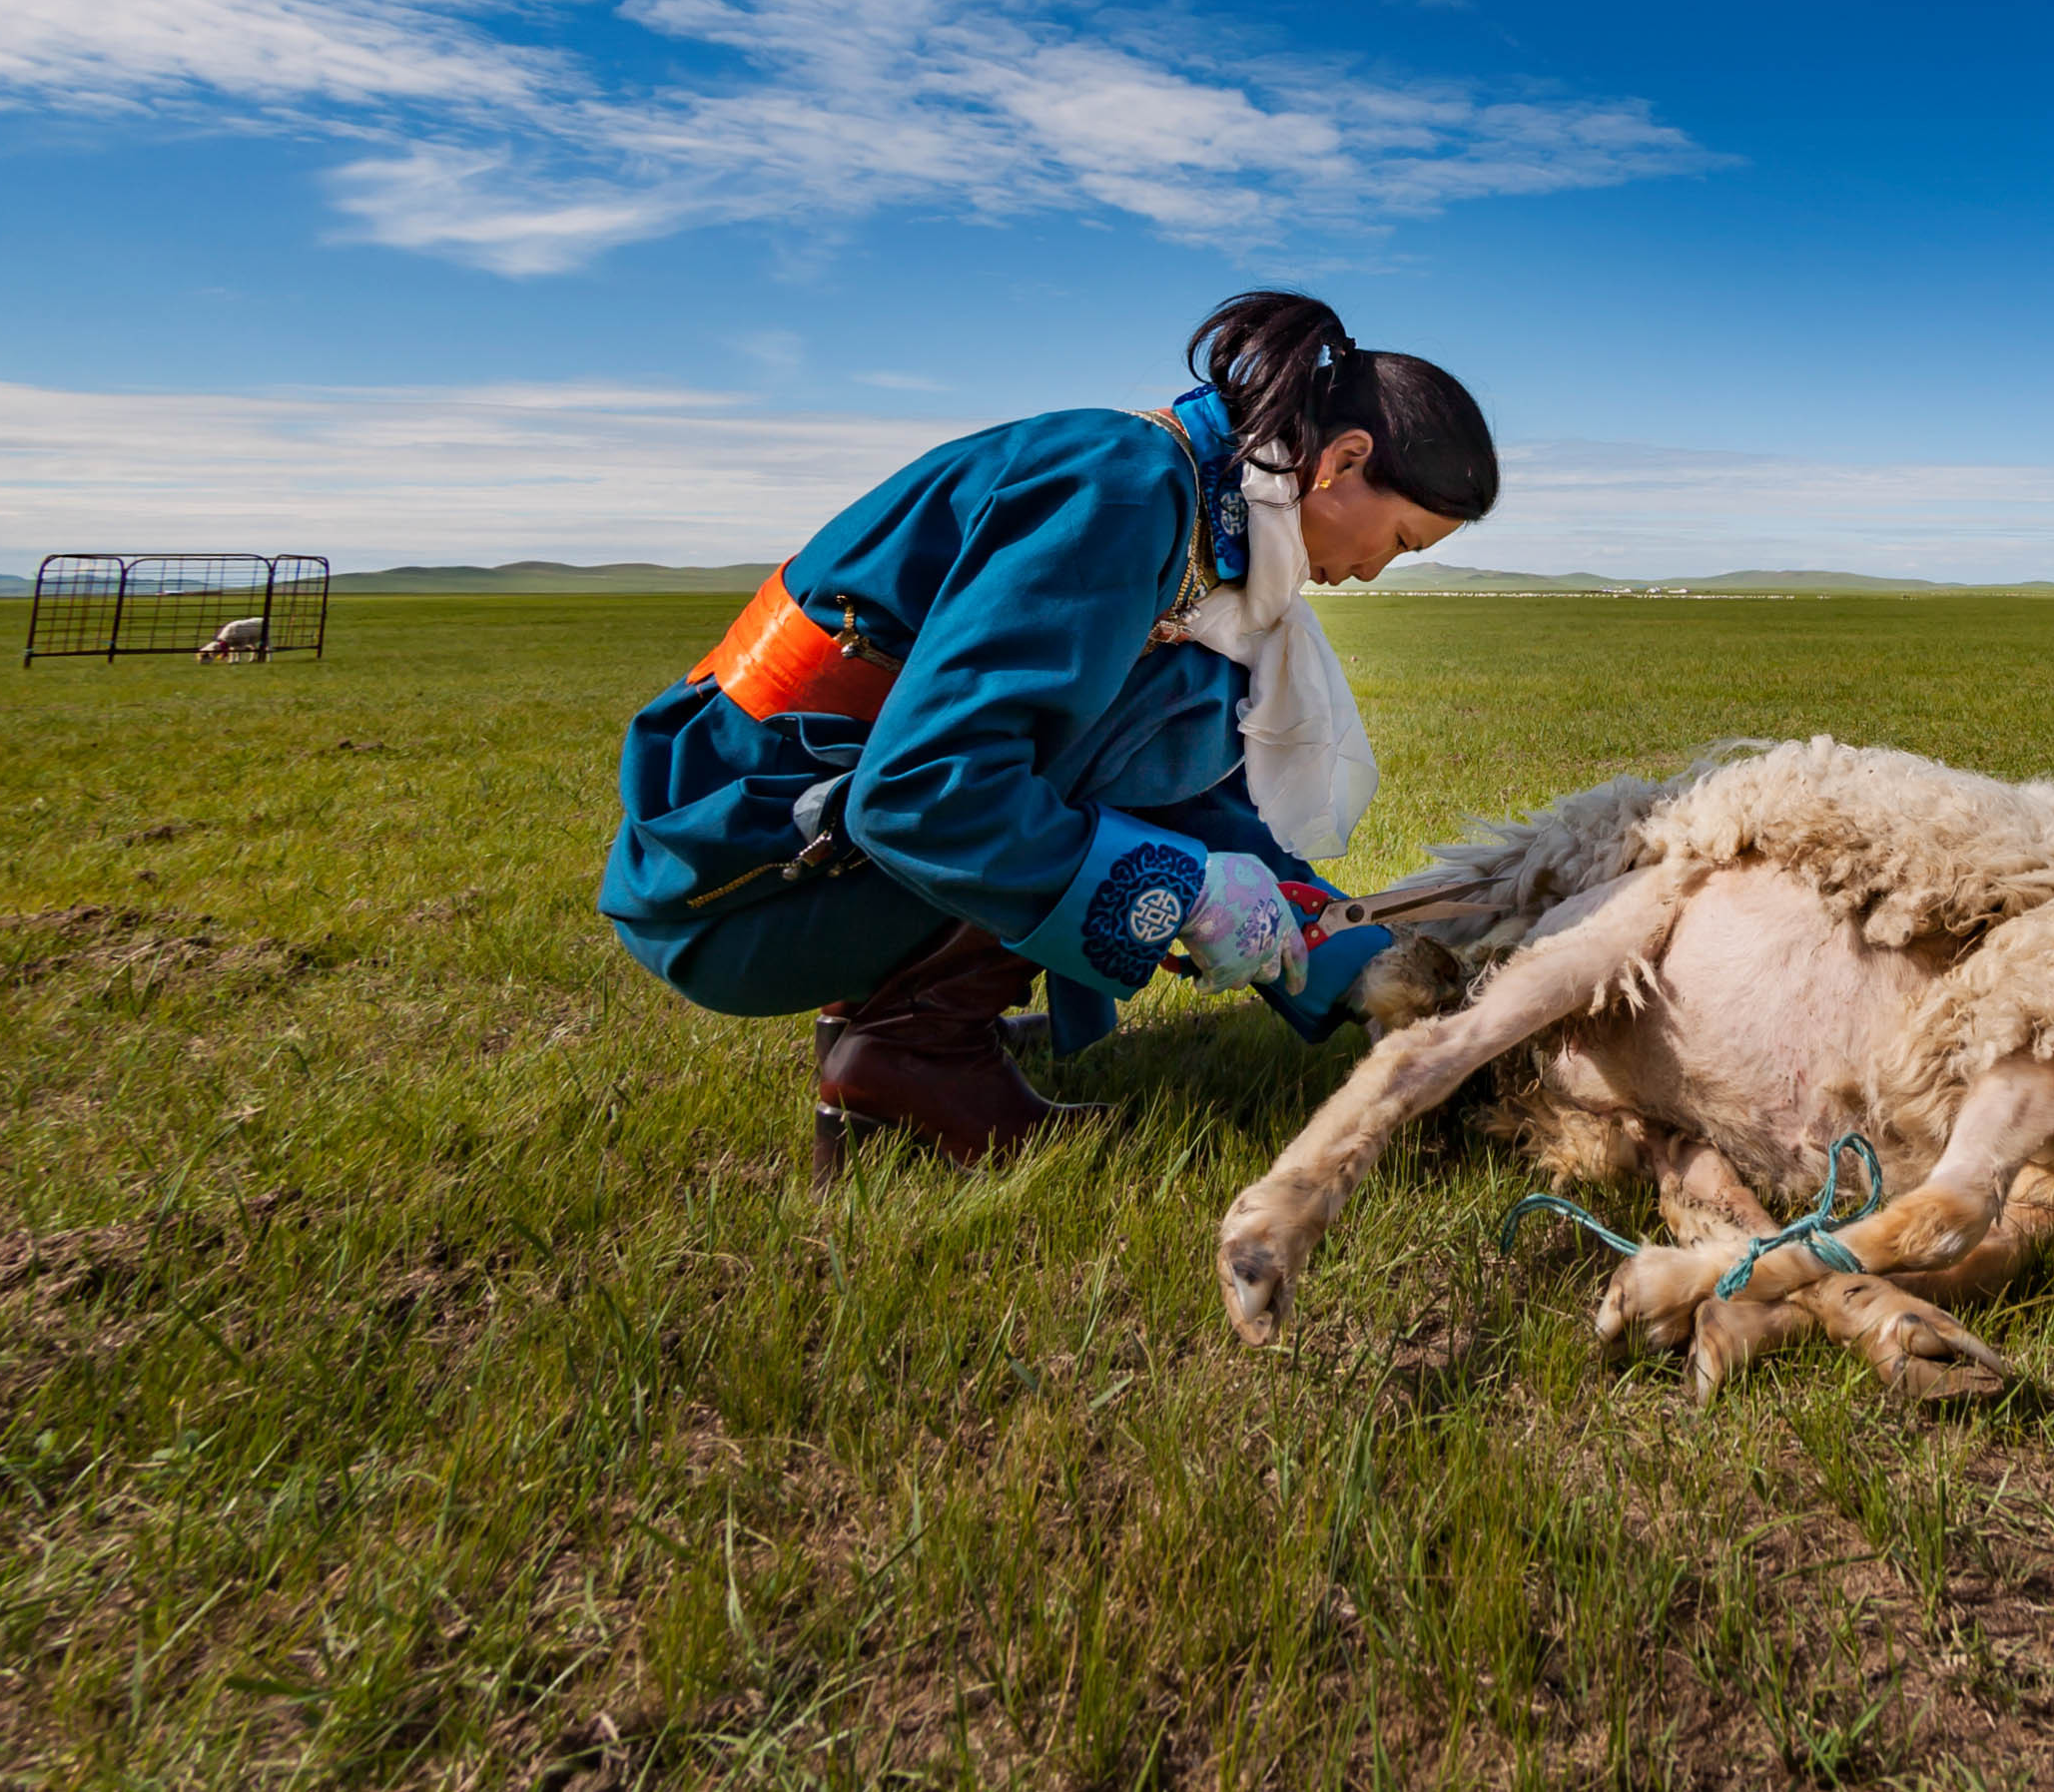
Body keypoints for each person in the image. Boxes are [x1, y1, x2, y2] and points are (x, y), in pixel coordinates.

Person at [599, 293, 1496, 1173]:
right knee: (1176, 699)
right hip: (731, 884)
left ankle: (891, 1010)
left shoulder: (1179, 494)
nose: (1377, 570)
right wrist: (1183, 891)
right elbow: (927, 789)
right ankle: (916, 1050)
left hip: (782, 831)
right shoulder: (1121, 492)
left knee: (1174, 693)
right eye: (1404, 540)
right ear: (1341, 460)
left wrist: (1357, 961)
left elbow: (1194, 800)